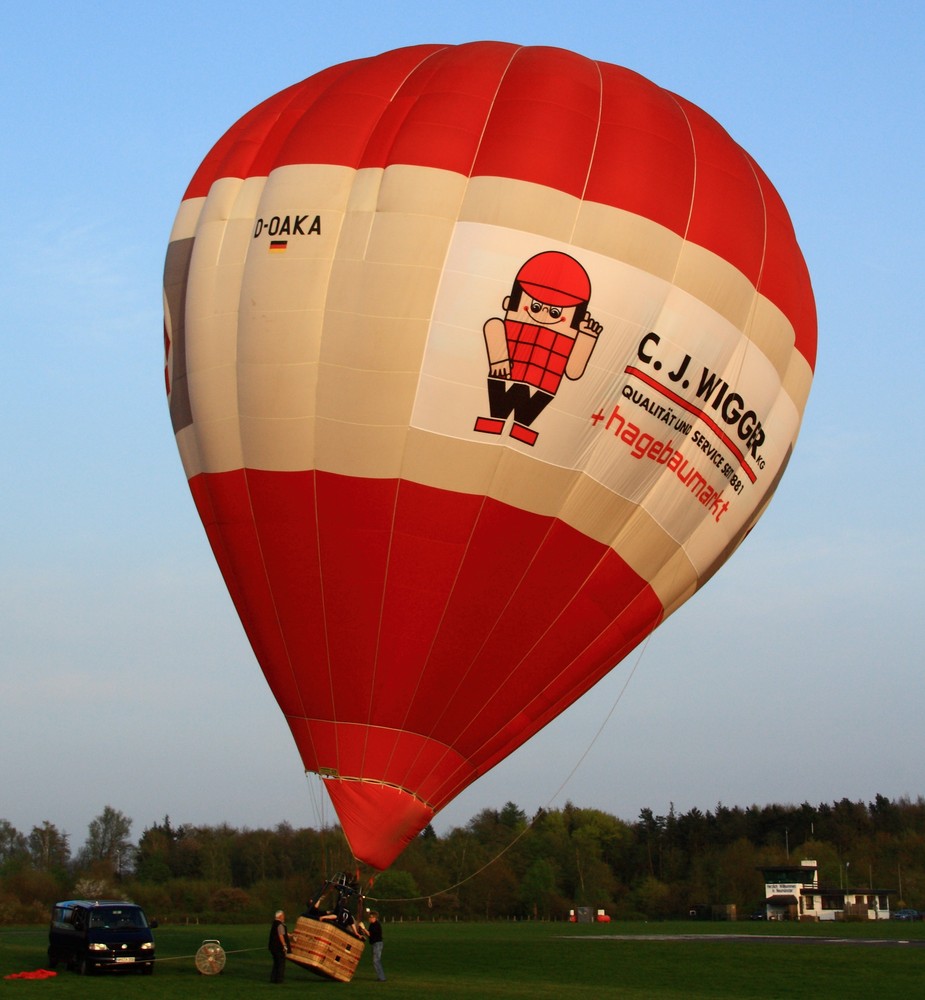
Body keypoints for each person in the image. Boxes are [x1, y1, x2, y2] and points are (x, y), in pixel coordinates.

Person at [268, 909, 291, 983]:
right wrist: (284, 945)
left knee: (276, 963)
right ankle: (279, 980)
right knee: (281, 963)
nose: (284, 917)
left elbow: (283, 933)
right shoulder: (280, 925)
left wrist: (291, 935)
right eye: (283, 915)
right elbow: (281, 935)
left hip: (273, 947)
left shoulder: (274, 924)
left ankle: (273, 978)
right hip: (278, 948)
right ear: (280, 916)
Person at [367, 910, 386, 981]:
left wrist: (363, 928)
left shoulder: (376, 925)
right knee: (376, 960)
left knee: (376, 960)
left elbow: (370, 934)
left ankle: (382, 977)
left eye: (371, 917)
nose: (369, 919)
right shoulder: (372, 925)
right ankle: (380, 977)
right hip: (374, 944)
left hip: (377, 944)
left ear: (374, 918)